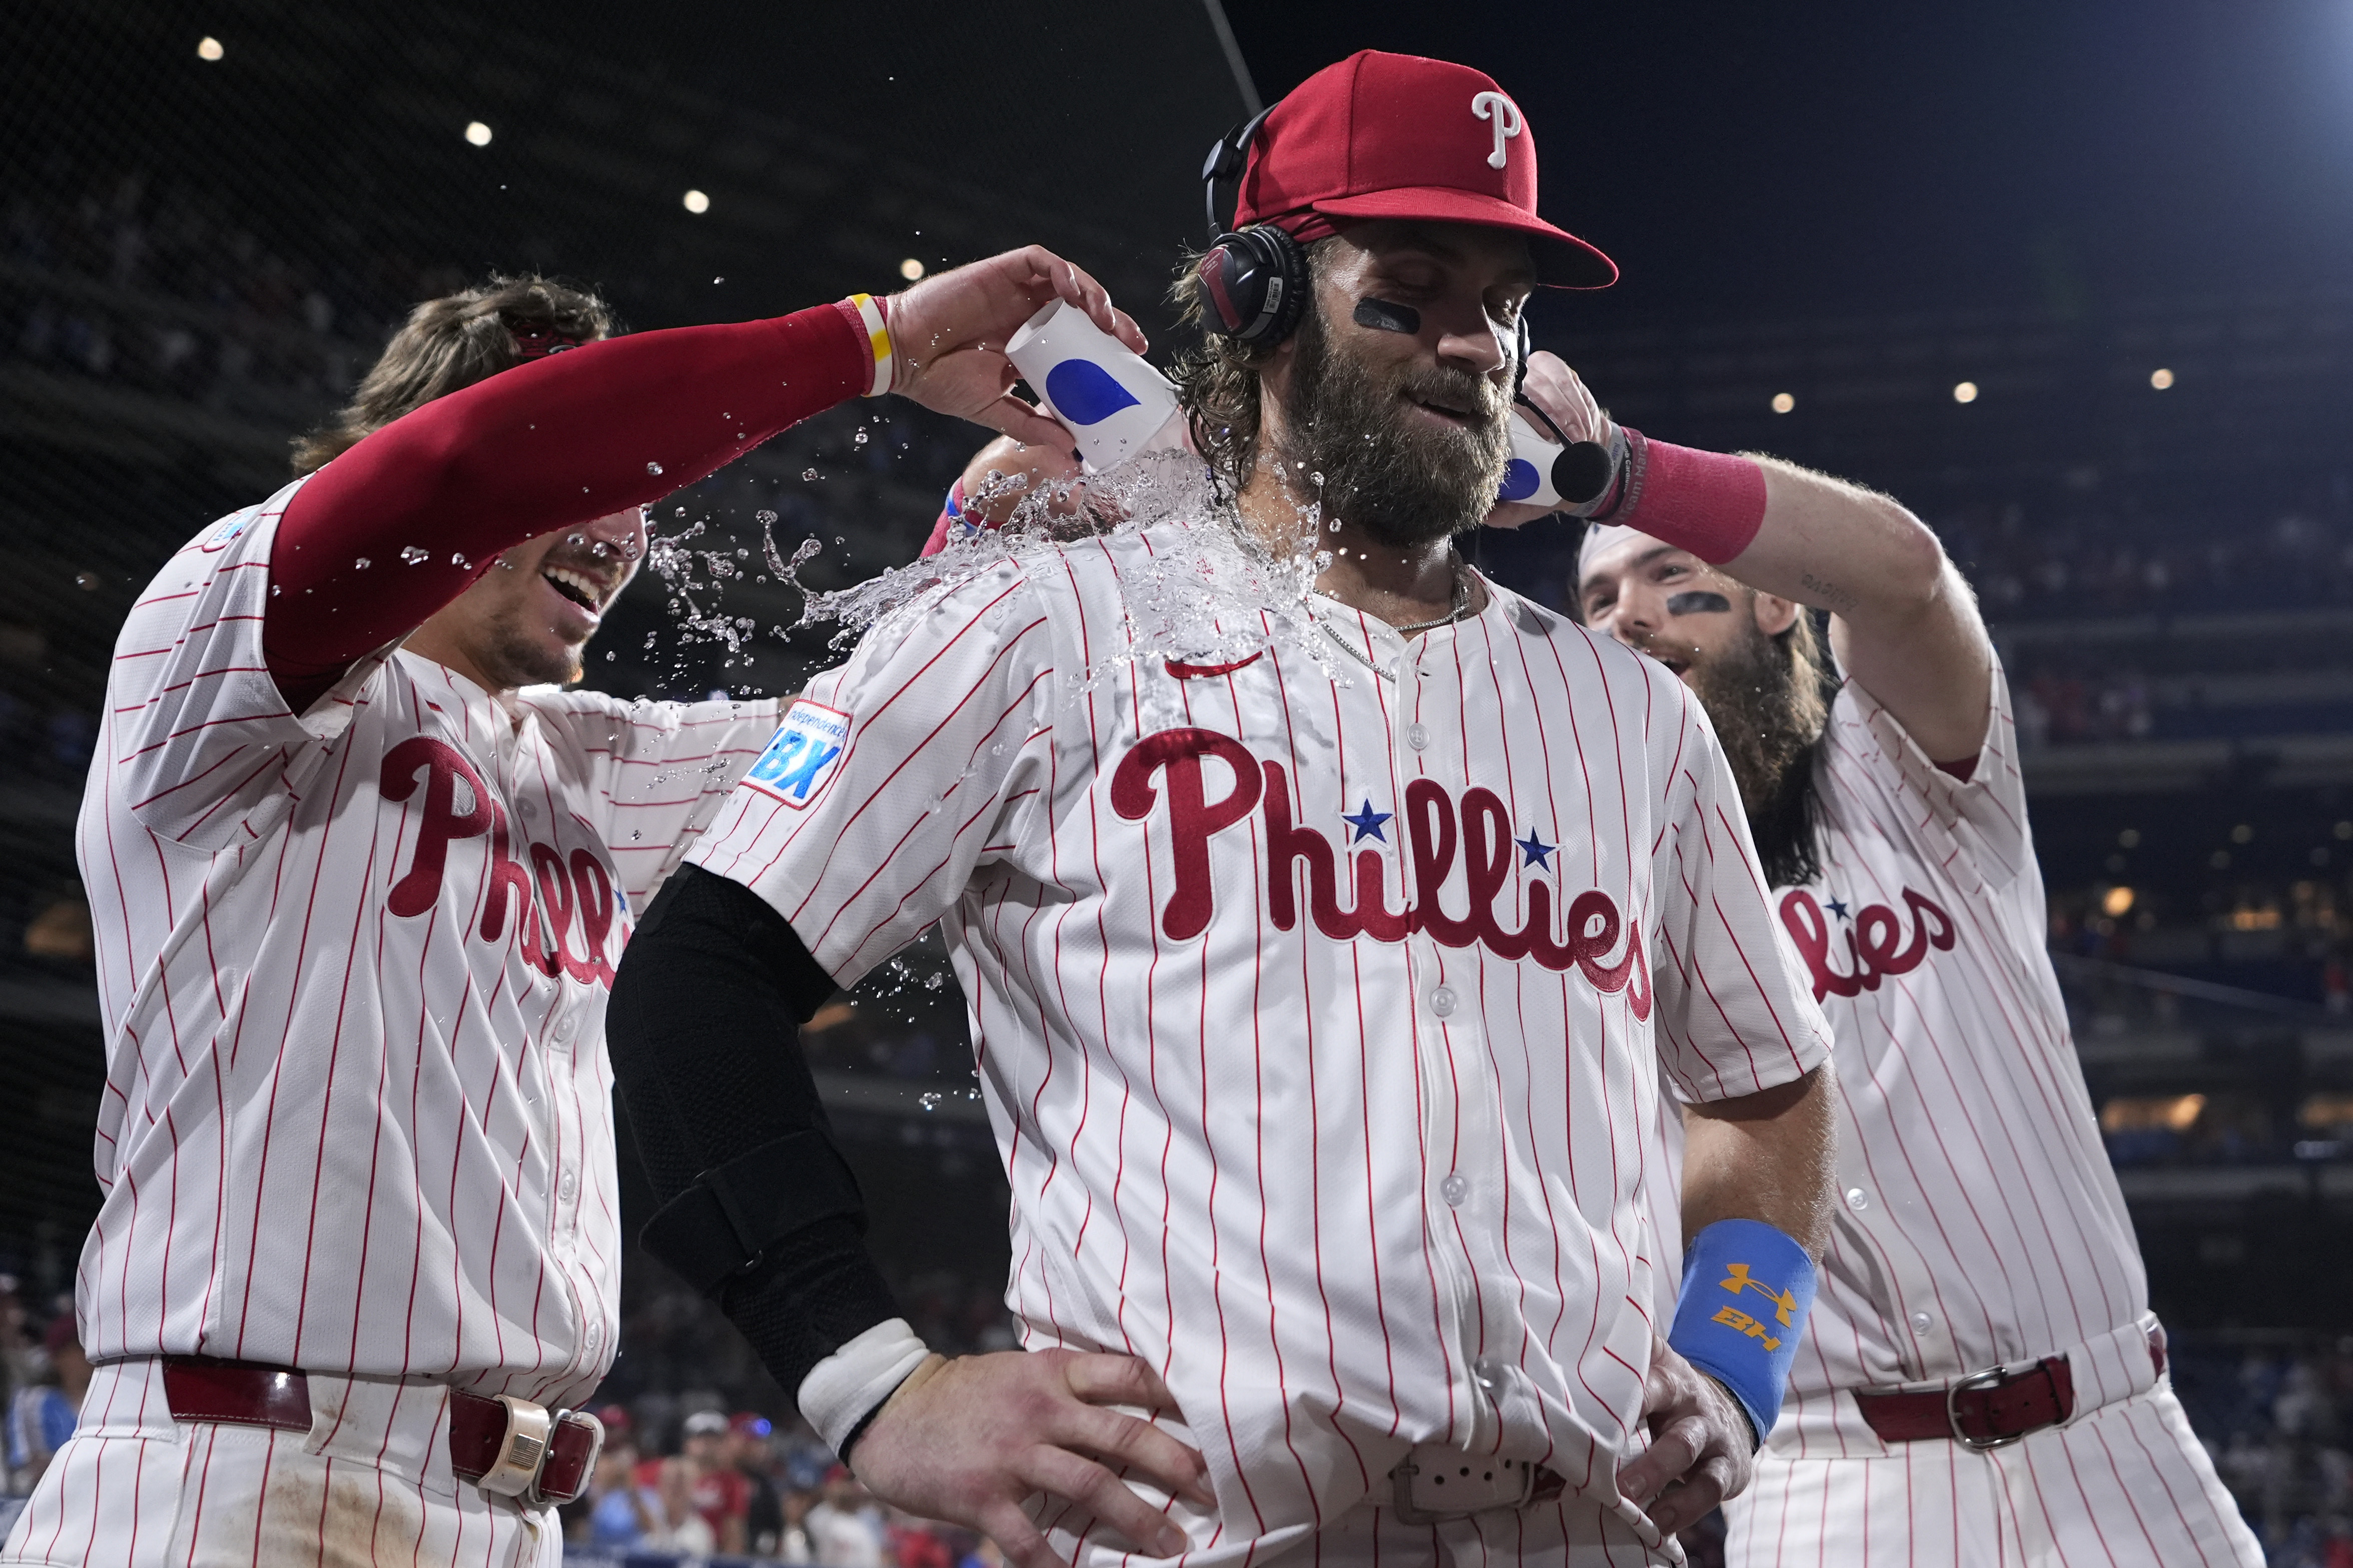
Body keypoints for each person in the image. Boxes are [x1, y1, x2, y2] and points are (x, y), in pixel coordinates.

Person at [607, 50, 1840, 1568]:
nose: (1471, 345)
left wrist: (1735, 1359)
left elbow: (1767, 1086)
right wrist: (868, 1377)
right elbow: (693, 979)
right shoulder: (1043, 631)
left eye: (1505, 307)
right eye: (1406, 291)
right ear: (1254, 297)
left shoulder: (1629, 712)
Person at [1, 243, 1142, 1568]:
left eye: (641, 492)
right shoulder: (216, 643)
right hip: (238, 1482)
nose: (625, 524)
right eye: (599, 475)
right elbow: (467, 468)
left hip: (509, 1508)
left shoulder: (587, 757)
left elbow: (887, 744)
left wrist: (992, 535)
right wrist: (875, 340)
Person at [1553, 349, 2264, 1560]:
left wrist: (1613, 473)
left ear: (1774, 597)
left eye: (1671, 576)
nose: (1626, 612)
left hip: (2108, 1440)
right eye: (1598, 600)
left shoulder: (1899, 775)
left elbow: (1900, 575)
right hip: (1832, 1480)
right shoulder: (1575, 888)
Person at [2, 1320, 84, 1497]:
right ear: (58, 1356)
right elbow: (25, 1469)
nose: (86, 1356)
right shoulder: (32, 1401)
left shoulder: (107, 1401)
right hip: (40, 1502)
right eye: (77, 1348)